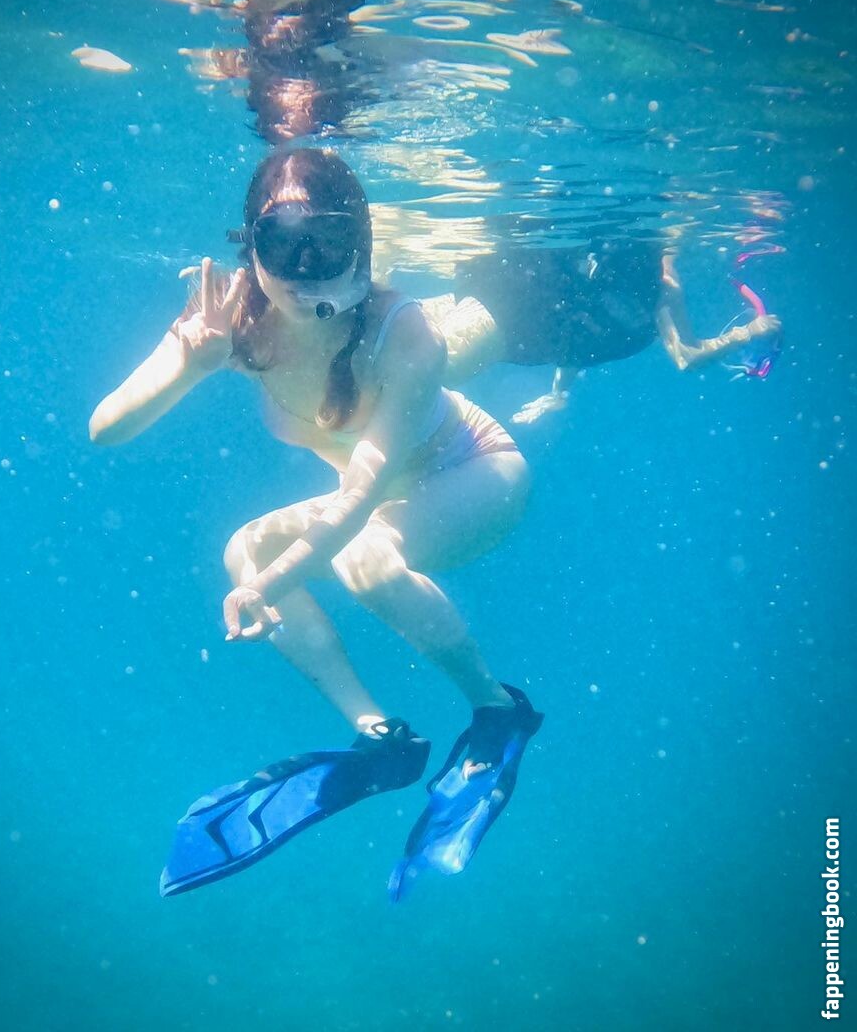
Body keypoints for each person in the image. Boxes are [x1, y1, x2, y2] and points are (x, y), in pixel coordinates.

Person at [89, 147, 543, 900]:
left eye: (326, 243)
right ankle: (379, 735)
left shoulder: (403, 331)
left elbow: (361, 492)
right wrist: (191, 366)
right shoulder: (228, 321)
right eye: (282, 244)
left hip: (475, 476)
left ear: (359, 244)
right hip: (377, 502)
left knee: (363, 554)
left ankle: (497, 710)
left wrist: (271, 584)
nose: (305, 270)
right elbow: (106, 428)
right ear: (251, 246)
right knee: (244, 548)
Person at [420, 240, 784, 424]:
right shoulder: (660, 283)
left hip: (508, 309)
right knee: (414, 359)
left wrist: (559, 392)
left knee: (410, 355)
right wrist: (748, 333)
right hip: (513, 320)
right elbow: (685, 356)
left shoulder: (648, 277)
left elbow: (583, 326)